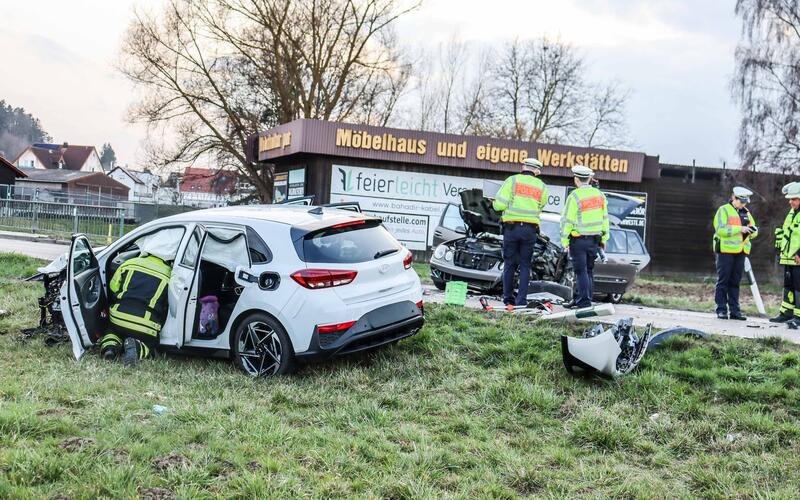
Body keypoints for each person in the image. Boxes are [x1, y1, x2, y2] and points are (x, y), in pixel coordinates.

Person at [492, 158, 549, 310]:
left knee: (509, 264)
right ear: (537, 171)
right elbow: (541, 206)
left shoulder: (512, 181)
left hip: (512, 228)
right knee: (525, 265)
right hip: (530, 230)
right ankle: (521, 300)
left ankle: (508, 299)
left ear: (523, 166)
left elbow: (499, 205)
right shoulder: (542, 186)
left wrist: (494, 203)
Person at [99, 253, 172, 364]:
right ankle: (137, 347)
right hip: (145, 323)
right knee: (151, 344)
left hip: (119, 316)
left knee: (112, 331)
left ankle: (110, 348)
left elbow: (113, 287)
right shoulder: (170, 274)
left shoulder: (129, 263)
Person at [560, 165, 609, 309]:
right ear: (589, 179)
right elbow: (605, 219)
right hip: (594, 241)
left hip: (578, 240)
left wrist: (564, 240)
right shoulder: (600, 196)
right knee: (588, 271)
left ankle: (584, 302)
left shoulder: (574, 196)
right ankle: (579, 299)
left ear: (576, 179)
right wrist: (604, 240)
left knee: (580, 272)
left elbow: (567, 221)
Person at [712, 186, 758, 320]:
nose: (743, 204)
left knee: (735, 282)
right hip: (725, 251)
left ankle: (735, 311)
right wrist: (740, 229)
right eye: (741, 201)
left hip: (741, 251)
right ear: (734, 198)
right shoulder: (723, 210)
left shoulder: (747, 212)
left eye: (745, 202)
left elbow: (754, 231)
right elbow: (720, 230)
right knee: (723, 281)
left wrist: (752, 231)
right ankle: (721, 309)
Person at [771, 182, 800, 327]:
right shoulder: (792, 213)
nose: (790, 202)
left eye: (793, 199)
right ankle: (786, 314)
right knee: (788, 287)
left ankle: (798, 317)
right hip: (788, 258)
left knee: (799, 287)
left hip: (798, 258)